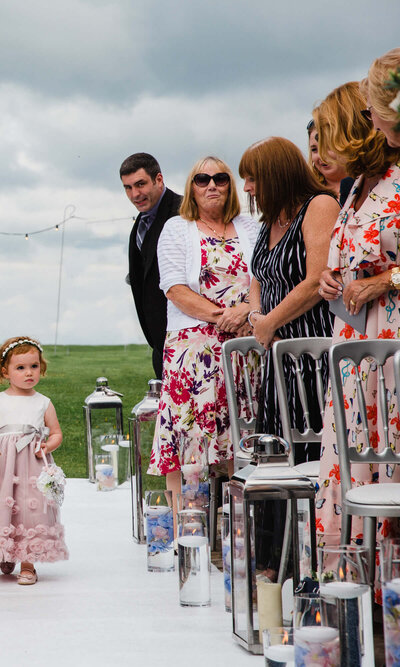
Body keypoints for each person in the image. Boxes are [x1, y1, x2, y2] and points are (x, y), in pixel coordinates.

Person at [315, 60, 400, 548]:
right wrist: (333, 278)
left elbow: (386, 267)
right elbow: (351, 255)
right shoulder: (357, 188)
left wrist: (385, 280)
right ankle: (353, 574)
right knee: (352, 456)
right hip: (353, 347)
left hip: (390, 344)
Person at [148, 157, 259, 508]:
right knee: (189, 441)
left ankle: (234, 534)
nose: (212, 185)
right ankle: (189, 531)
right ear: (191, 188)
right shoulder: (177, 227)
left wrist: (247, 313)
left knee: (237, 440)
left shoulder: (251, 225)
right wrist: (223, 316)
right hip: (193, 350)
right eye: (202, 179)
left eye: (221, 178)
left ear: (230, 186)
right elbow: (174, 288)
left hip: (245, 346)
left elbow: (263, 278)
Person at [239, 137, 337, 451]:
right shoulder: (269, 220)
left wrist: (268, 324)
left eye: (252, 178)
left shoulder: (319, 206)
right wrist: (257, 318)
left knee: (309, 453)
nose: (247, 188)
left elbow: (314, 282)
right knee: (275, 456)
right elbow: (258, 277)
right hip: (277, 356)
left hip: (312, 356)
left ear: (275, 174)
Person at [0, 336, 68, 585]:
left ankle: (28, 562)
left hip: (32, 464)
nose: (29, 373)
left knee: (31, 509)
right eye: (21, 367)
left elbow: (57, 432)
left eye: (34, 366)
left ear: (42, 367)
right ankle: (6, 549)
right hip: (2, 467)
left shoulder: (43, 403)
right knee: (3, 506)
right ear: (5, 371)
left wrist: (48, 444)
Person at [120, 153, 183, 379]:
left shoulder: (185, 212)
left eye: (140, 184)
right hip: (161, 346)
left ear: (159, 179)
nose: (135, 194)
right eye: (128, 188)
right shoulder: (140, 222)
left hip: (187, 341)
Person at [306, 119, 352, 204]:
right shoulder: (306, 194)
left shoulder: (367, 184)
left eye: (328, 147)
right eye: (314, 149)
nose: (321, 156)